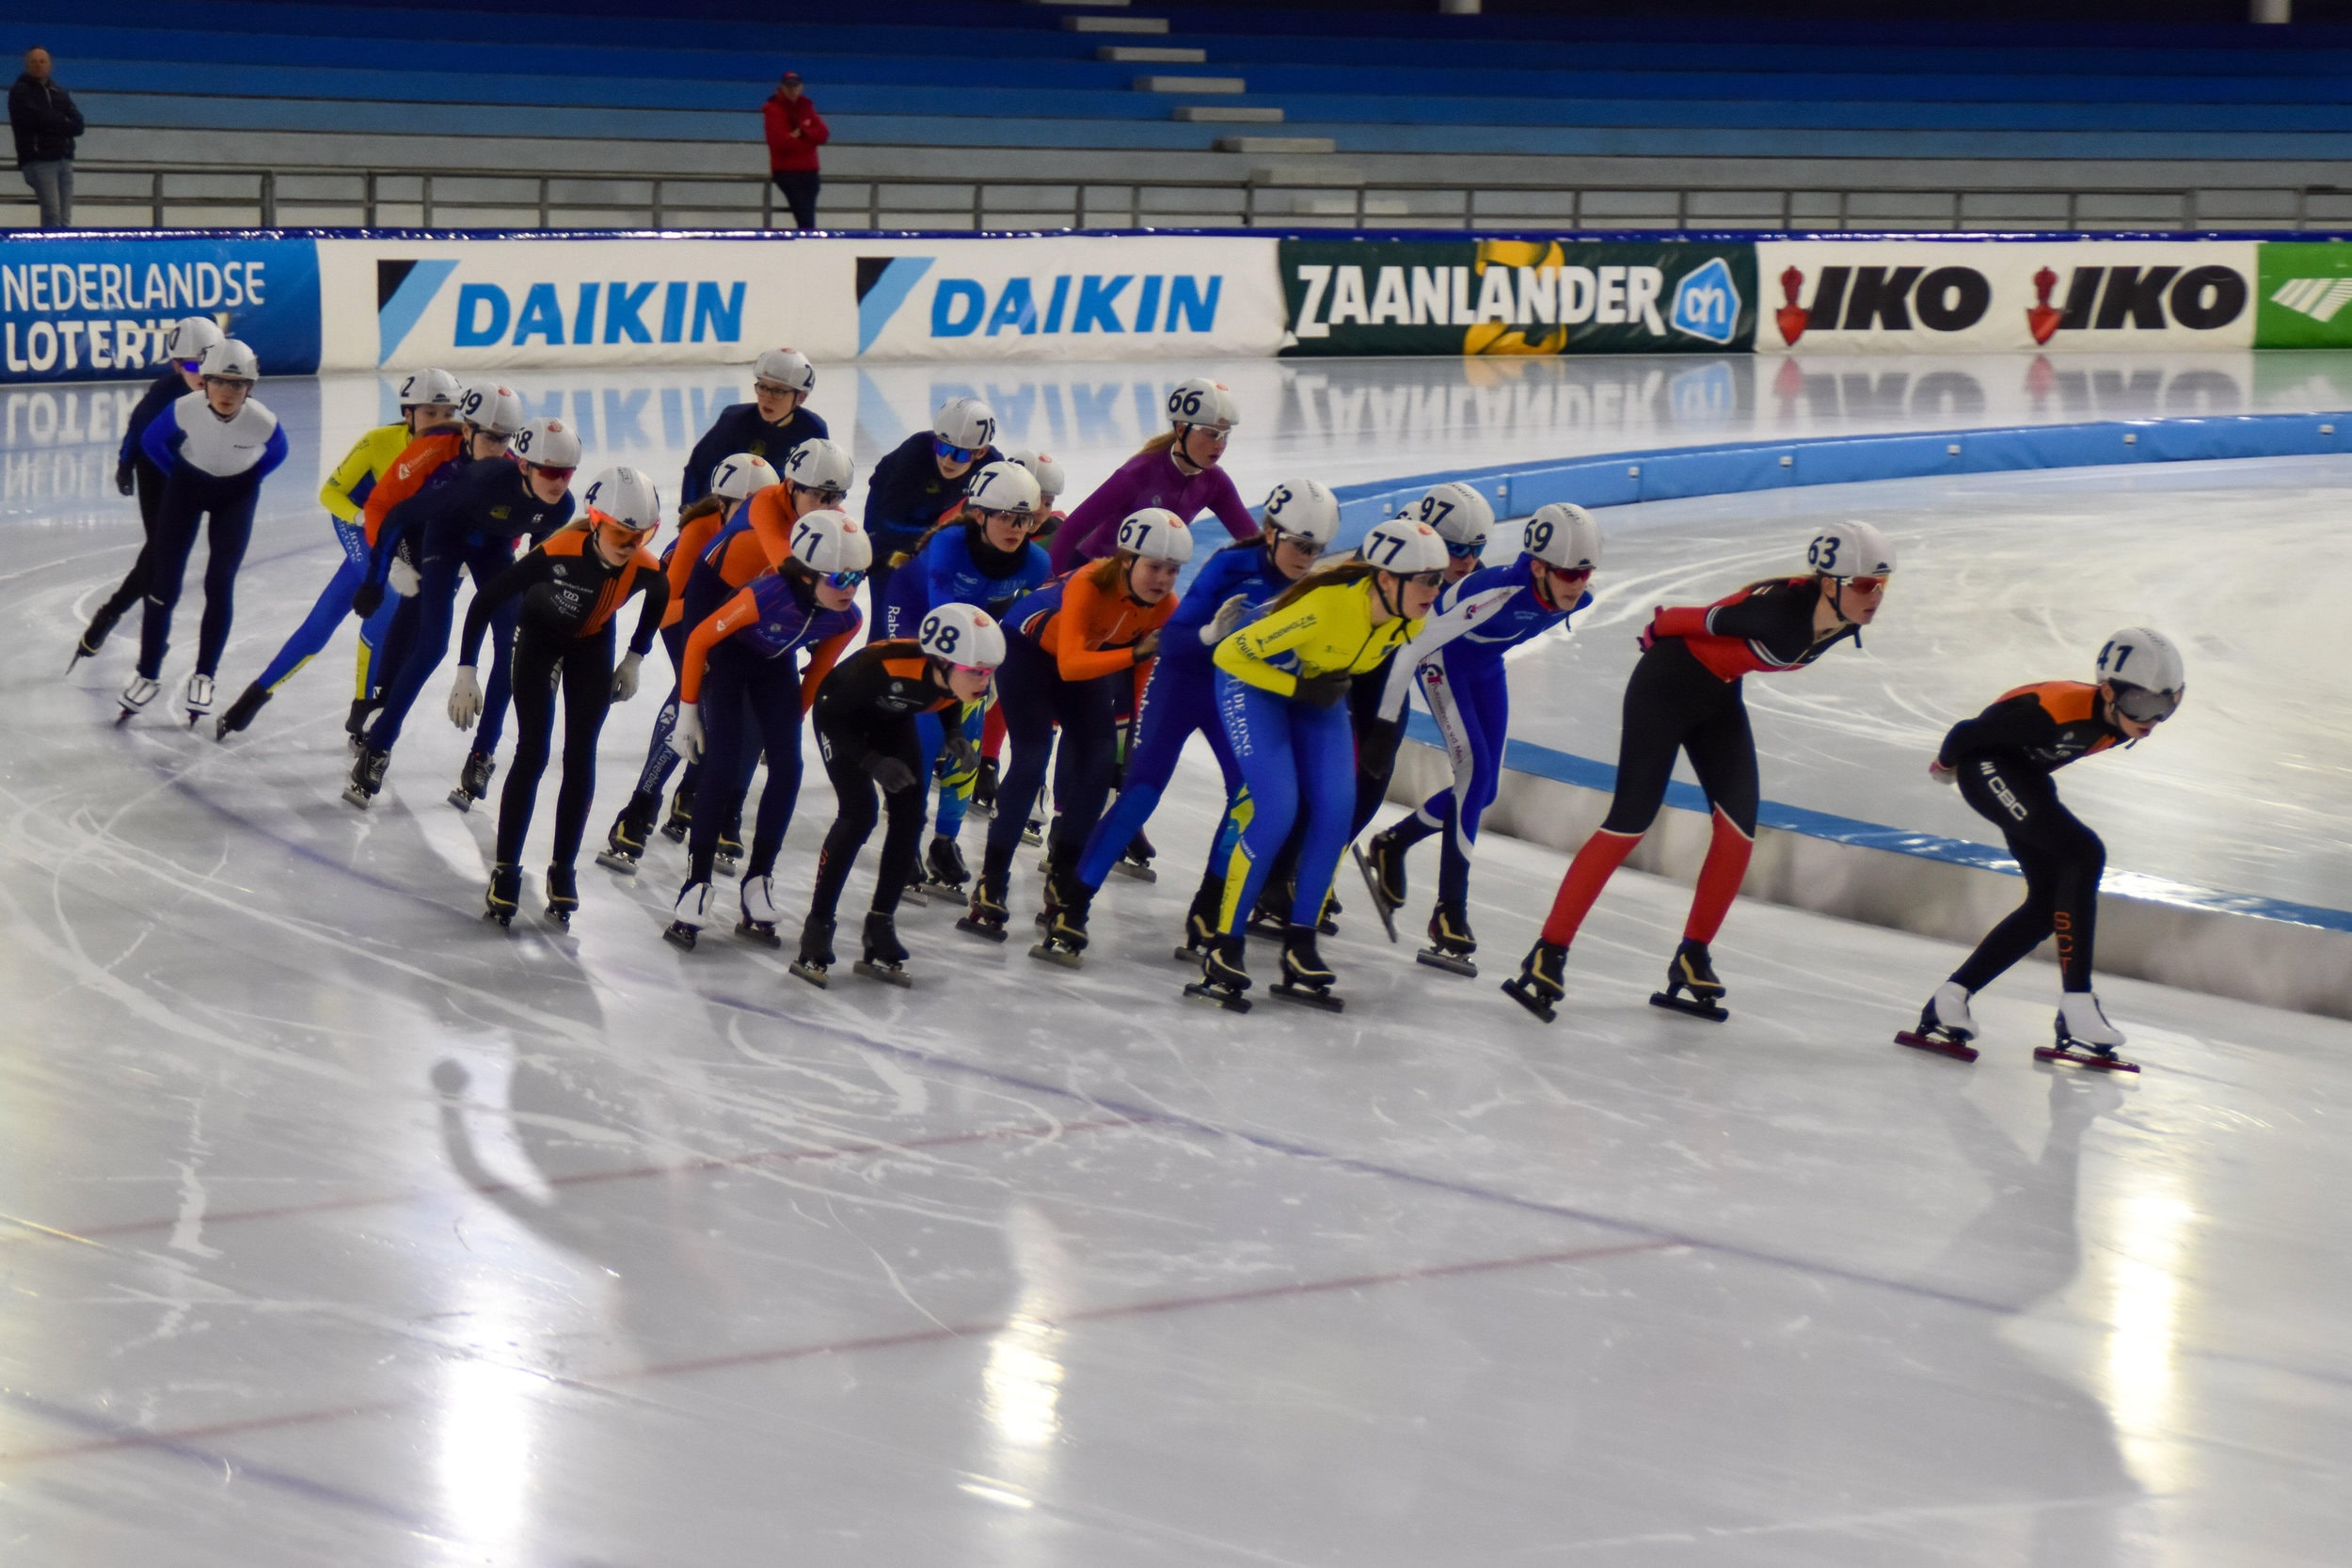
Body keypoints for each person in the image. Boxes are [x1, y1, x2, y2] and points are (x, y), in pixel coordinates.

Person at [1503, 523, 1898, 1025]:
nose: (1875, 597)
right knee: (1630, 821)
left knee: (1739, 831)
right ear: (1829, 583)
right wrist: (1653, 636)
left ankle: (1693, 956)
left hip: (1719, 696)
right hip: (1665, 687)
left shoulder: (1842, 621)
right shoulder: (1777, 613)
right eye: (1865, 585)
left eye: (1882, 585)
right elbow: (1677, 619)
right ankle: (1548, 952)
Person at [1184, 517, 1447, 1012]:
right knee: (1277, 810)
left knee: (1336, 812)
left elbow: (1376, 670)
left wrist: (1377, 727)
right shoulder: (1327, 606)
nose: (1436, 590)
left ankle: (1300, 944)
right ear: (1386, 580)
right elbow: (1230, 654)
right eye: (1426, 579)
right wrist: (1298, 688)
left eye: (1439, 578)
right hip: (1254, 684)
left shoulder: (1409, 619)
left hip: (1315, 690)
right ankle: (1224, 944)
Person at [1070, 478, 1339, 957]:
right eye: (1300, 545)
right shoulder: (1231, 566)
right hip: (1183, 683)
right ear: (1271, 532)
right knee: (1141, 794)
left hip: (1236, 695)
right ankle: (1074, 904)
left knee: (1248, 801)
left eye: (1316, 549)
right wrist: (1210, 634)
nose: (1307, 558)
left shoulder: (1311, 588)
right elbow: (1173, 642)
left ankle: (1207, 910)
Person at [1899, 629, 2185, 1069]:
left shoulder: (2117, 719)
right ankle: (2077, 1003)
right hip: (1986, 768)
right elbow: (1966, 733)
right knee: (2084, 852)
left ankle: (1949, 1000)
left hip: (2027, 779)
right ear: (2108, 692)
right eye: (2142, 704)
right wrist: (1945, 766)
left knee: (2049, 904)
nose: (2152, 719)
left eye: (2166, 706)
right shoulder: (2055, 712)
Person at [1358, 502, 1601, 976]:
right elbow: (1411, 649)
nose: (1578, 585)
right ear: (1538, 567)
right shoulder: (1496, 594)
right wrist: (1384, 724)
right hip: (1440, 659)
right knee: (1473, 773)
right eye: (1569, 574)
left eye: (1585, 573)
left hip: (1485, 666)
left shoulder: (1579, 598)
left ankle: (1393, 843)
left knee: (1485, 790)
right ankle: (1450, 910)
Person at [213, 372, 495, 740]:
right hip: (364, 528)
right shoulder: (379, 442)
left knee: (327, 619)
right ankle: (360, 706)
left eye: (448, 413)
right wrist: (362, 519)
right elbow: (331, 493)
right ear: (408, 414)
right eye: (430, 413)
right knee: (385, 601)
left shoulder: (459, 450)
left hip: (401, 538)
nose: (441, 422)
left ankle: (254, 700)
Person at [609, 437, 850, 864]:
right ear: (720, 504)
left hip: (750, 612)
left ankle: (707, 797)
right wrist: (640, 654)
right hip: (695, 612)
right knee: (699, 696)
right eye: (736, 504)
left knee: (750, 709)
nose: (827, 506)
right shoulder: (705, 527)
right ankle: (642, 803)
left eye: (835, 498)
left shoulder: (815, 524)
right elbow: (669, 606)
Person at [964, 509, 1190, 955]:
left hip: (1087, 660)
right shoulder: (1090, 581)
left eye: (1173, 570)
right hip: (1028, 652)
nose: (1163, 580)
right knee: (1031, 758)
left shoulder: (1166, 606)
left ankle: (1064, 876)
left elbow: (1142, 672)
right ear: (1126, 560)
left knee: (1101, 761)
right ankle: (991, 879)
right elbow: (1071, 664)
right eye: (1154, 567)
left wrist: (1133, 740)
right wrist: (1137, 651)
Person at [453, 468, 668, 928]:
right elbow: (485, 601)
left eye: (642, 537)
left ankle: (563, 868)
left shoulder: (646, 567)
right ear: (596, 521)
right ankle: (505, 869)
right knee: (533, 752)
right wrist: (466, 670)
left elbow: (660, 594)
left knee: (581, 755)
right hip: (539, 640)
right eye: (621, 534)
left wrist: (635, 657)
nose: (630, 546)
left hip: (593, 645)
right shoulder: (557, 551)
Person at [342, 416, 580, 808]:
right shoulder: (481, 480)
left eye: (568, 474)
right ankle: (378, 747)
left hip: (495, 552)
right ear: (524, 465)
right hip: (445, 543)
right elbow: (399, 515)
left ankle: (482, 754)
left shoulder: (560, 508)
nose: (559, 484)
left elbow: (537, 561)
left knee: (513, 648)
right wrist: (375, 578)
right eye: (551, 472)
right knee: (432, 645)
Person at [662, 509, 869, 950]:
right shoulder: (765, 595)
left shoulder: (847, 619)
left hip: (776, 669)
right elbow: (698, 640)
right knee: (721, 766)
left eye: (859, 578)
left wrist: (787, 726)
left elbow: (817, 675)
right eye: (841, 579)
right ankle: (696, 883)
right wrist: (687, 712)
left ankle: (759, 879)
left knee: (789, 768)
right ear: (807, 574)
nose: (850, 590)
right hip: (729, 663)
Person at [789, 602, 1003, 989]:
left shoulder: (948, 675)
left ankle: (880, 925)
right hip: (839, 719)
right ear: (943, 662)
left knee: (911, 815)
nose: (984, 683)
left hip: (891, 720)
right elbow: (831, 714)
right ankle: (817, 925)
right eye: (976, 672)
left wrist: (954, 732)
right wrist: (871, 761)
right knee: (859, 815)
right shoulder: (884, 667)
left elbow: (947, 696)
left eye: (988, 673)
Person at [880, 458, 1052, 892]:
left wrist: (994, 670)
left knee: (966, 741)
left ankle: (945, 841)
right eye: (1007, 517)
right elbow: (941, 619)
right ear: (979, 515)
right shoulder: (949, 545)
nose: (1017, 528)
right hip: (918, 614)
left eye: (1025, 519)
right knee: (925, 729)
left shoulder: (1036, 563)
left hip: (973, 629)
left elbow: (1022, 624)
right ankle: (906, 838)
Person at [119, 341, 287, 725]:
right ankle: (147, 673)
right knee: (164, 583)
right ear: (205, 383)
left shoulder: (262, 421)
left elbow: (279, 453)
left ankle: (204, 676)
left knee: (219, 582)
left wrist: (246, 481)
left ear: (250, 388)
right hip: (187, 488)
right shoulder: (184, 408)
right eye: (219, 382)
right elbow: (151, 441)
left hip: (235, 497)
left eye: (237, 384)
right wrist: (180, 476)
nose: (227, 392)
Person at [72, 317, 224, 666]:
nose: (201, 373)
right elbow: (138, 428)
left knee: (163, 555)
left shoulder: (230, 387)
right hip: (156, 471)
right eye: (191, 365)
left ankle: (112, 617)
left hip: (192, 473)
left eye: (207, 361)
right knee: (162, 553)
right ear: (176, 365)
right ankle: (115, 617)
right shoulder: (164, 393)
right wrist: (125, 464)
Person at [1048, 378, 1260, 574]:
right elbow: (1069, 532)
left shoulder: (1216, 483)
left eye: (1225, 435)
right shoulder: (1137, 474)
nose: (1220, 445)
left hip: (1148, 583)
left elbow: (1256, 544)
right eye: (1212, 434)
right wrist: (1052, 585)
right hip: (1094, 575)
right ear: (1181, 429)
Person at [971, 449, 1068, 821]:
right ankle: (984, 758)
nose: (1041, 508)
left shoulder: (1060, 532)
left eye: (1049, 501)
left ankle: (1020, 774)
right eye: (1035, 498)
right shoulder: (984, 521)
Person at [863, 396, 1000, 614]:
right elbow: (887, 524)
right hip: (893, 516)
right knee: (886, 609)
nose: (947, 459)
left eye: (959, 453)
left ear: (981, 452)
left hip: (938, 519)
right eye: (942, 447)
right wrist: (937, 535)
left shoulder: (993, 467)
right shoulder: (916, 452)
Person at [679, 348, 826, 508]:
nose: (767, 398)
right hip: (730, 510)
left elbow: (820, 487)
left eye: (778, 391)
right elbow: (697, 469)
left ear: (801, 397)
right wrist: (689, 511)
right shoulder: (735, 421)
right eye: (763, 387)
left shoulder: (813, 430)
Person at [9, 47, 81, 229]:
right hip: (39, 159)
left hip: (63, 158)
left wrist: (54, 124)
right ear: (27, 65)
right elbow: (36, 119)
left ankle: (61, 246)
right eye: (34, 62)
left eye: (42, 61)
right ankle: (49, 246)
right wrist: (62, 123)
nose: (38, 65)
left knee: (64, 217)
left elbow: (78, 124)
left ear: (50, 65)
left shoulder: (59, 92)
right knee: (52, 214)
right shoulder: (21, 92)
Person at [762, 71, 829, 230]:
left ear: (801, 87)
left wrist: (803, 133)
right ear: (781, 87)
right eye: (788, 86)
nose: (792, 90)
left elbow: (824, 134)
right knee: (805, 216)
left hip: (810, 171)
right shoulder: (773, 109)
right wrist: (810, 140)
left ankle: (806, 240)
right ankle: (808, 241)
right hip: (787, 172)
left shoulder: (806, 105)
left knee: (806, 215)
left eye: (795, 86)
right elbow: (781, 143)